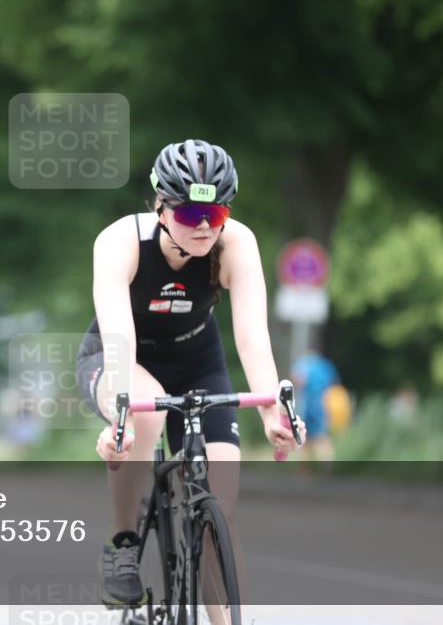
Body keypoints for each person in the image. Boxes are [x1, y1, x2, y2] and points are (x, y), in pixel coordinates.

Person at [75, 139, 306, 619]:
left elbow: (252, 336)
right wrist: (120, 419)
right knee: (146, 411)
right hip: (120, 359)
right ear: (161, 207)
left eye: (215, 213)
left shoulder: (236, 242)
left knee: (220, 508)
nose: (203, 226)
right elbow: (120, 338)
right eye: (189, 213)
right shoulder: (119, 242)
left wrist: (272, 412)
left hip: (198, 363)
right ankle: (122, 542)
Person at [291, 351, 340, 462]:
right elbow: (333, 384)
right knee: (322, 436)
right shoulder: (325, 365)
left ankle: (304, 468)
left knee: (305, 436)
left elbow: (298, 378)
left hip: (308, 404)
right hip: (322, 404)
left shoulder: (303, 363)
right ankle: (326, 466)